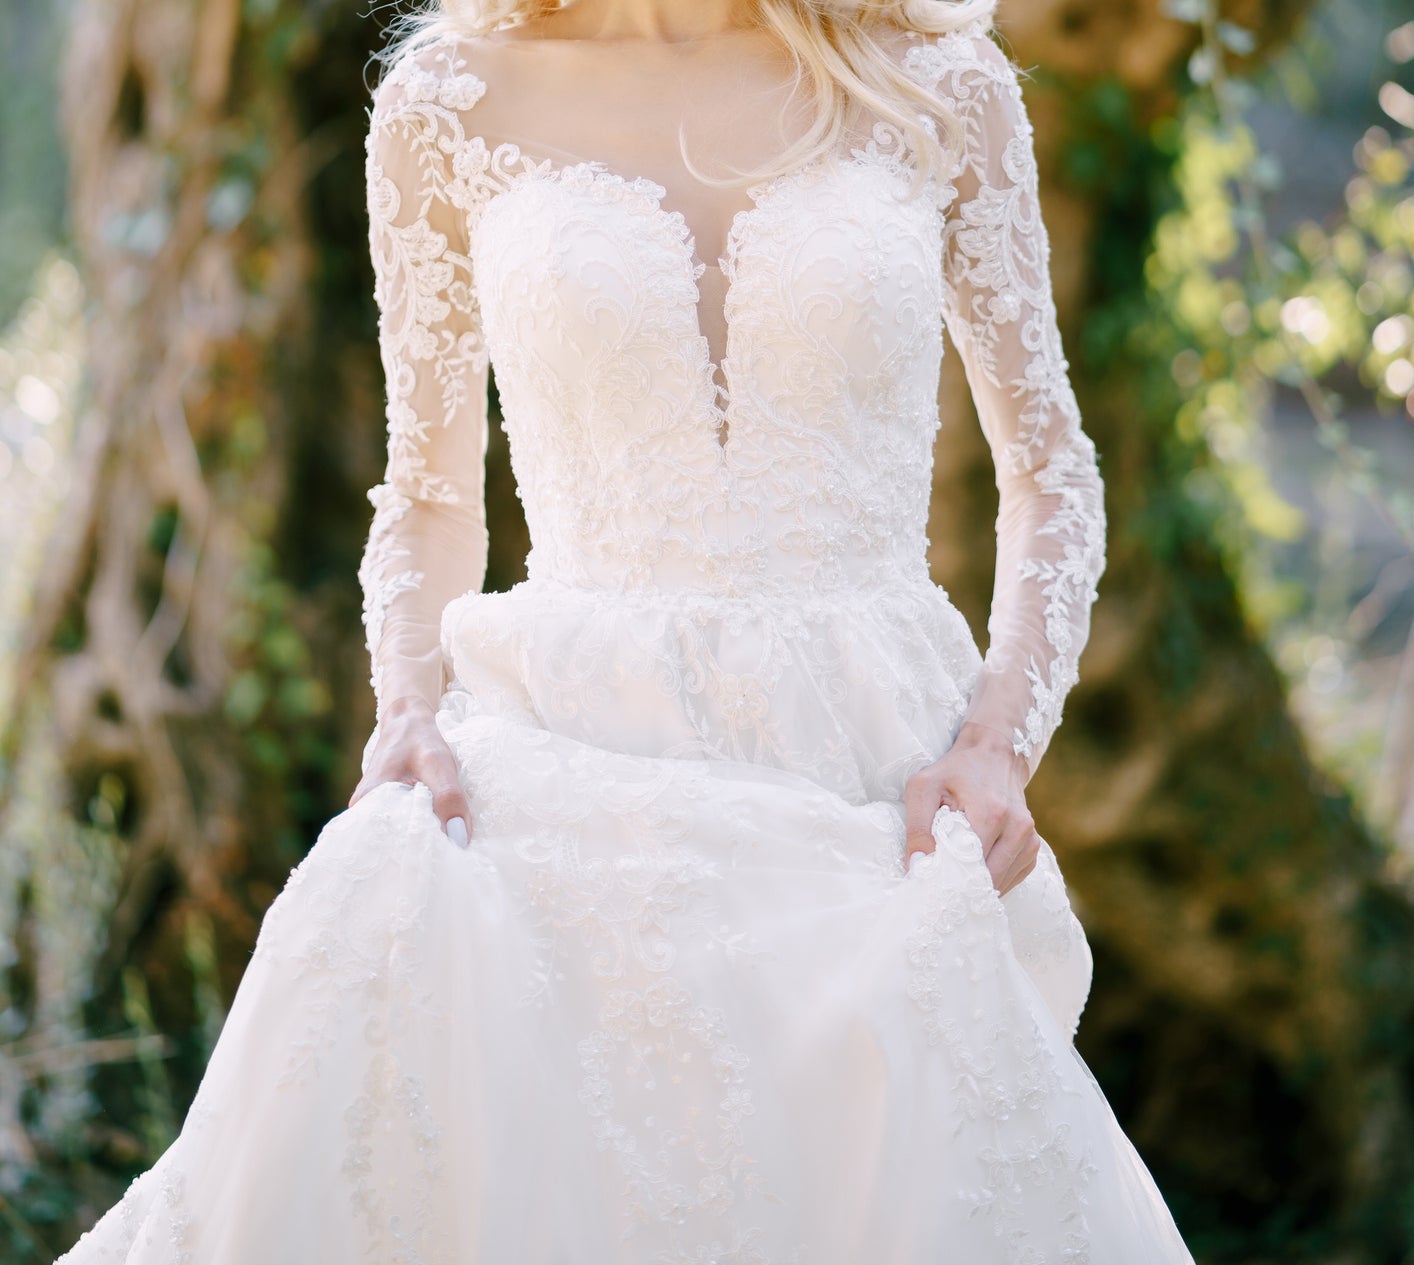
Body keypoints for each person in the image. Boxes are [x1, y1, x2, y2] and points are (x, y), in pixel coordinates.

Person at [57, 0, 1199, 1260]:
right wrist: (408, 721)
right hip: (560, 756)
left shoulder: (936, 82)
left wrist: (995, 746)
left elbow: (1049, 471)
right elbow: (429, 494)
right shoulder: (447, 100)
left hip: (871, 769)